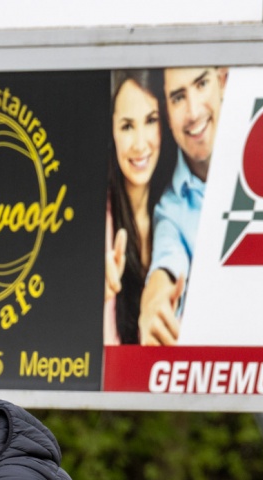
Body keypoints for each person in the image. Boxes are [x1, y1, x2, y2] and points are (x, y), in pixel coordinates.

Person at [139, 66, 229, 346]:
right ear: (166, 113)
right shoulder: (170, 210)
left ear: (223, 80)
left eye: (201, 84)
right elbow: (166, 265)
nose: (193, 112)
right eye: (178, 98)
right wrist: (154, 304)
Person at [105, 69, 172, 345]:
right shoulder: (104, 223)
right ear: (112, 131)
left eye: (150, 121)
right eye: (127, 126)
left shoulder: (173, 208)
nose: (140, 144)